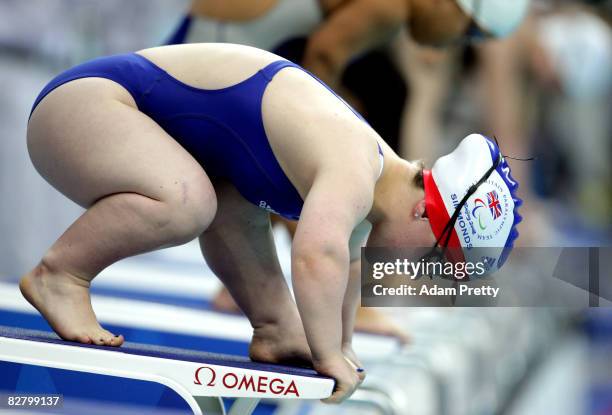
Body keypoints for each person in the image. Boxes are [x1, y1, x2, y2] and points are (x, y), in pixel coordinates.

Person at [21, 43, 521, 403]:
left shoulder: (369, 192)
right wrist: (328, 356)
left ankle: (274, 328)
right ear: (423, 211)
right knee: (189, 201)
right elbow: (315, 256)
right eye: (433, 260)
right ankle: (61, 274)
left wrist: (339, 348)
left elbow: (345, 267)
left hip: (120, 119)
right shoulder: (356, 162)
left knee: (234, 207)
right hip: (84, 106)